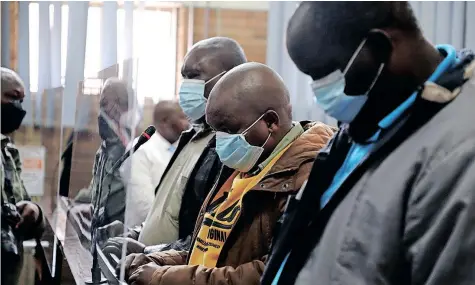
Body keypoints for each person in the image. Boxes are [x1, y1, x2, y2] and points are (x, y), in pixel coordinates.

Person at [261, 2, 475, 285]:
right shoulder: (374, 116)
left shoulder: (458, 151)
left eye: (327, 75)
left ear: (381, 46)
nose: (318, 95)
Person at [121, 62, 335, 285]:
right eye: (217, 132)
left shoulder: (307, 174)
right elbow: (209, 249)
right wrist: (158, 261)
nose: (220, 142)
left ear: (270, 122)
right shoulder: (247, 161)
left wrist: (164, 278)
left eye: (229, 130)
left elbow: (272, 272)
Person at [101, 37, 247, 260]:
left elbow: (211, 238)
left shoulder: (230, 147)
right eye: (184, 77)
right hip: (148, 268)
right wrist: (136, 234)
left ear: (229, 78)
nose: (186, 85)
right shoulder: (193, 137)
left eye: (195, 76)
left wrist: (150, 251)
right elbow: (167, 211)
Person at [72, 77, 139, 228]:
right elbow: (96, 190)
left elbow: (114, 204)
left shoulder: (135, 148)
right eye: (103, 104)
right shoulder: (105, 149)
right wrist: (77, 203)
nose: (108, 109)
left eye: (122, 103)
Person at [1, 67, 45, 284]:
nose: (17, 107)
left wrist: (34, 213)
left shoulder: (8, 151)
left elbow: (22, 201)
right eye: (11, 97)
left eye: (22, 100)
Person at [121, 100, 189, 227]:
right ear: (164, 122)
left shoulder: (183, 148)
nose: (187, 124)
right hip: (143, 235)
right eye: (182, 118)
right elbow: (143, 206)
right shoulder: (141, 150)